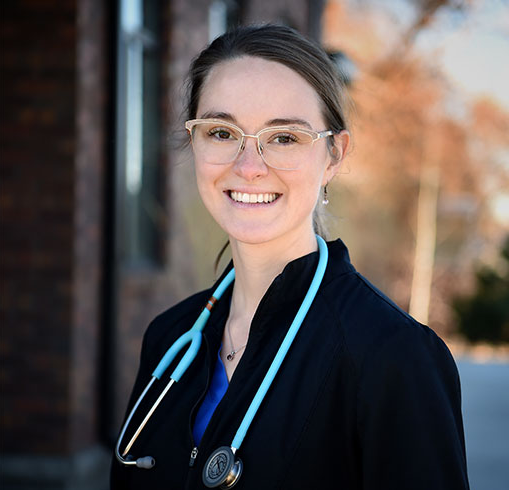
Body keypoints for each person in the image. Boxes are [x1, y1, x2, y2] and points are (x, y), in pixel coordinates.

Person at [111, 24, 469, 490]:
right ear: (194, 141)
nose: (248, 166)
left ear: (333, 156)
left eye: (284, 138)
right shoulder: (170, 337)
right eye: (222, 132)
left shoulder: (392, 358)